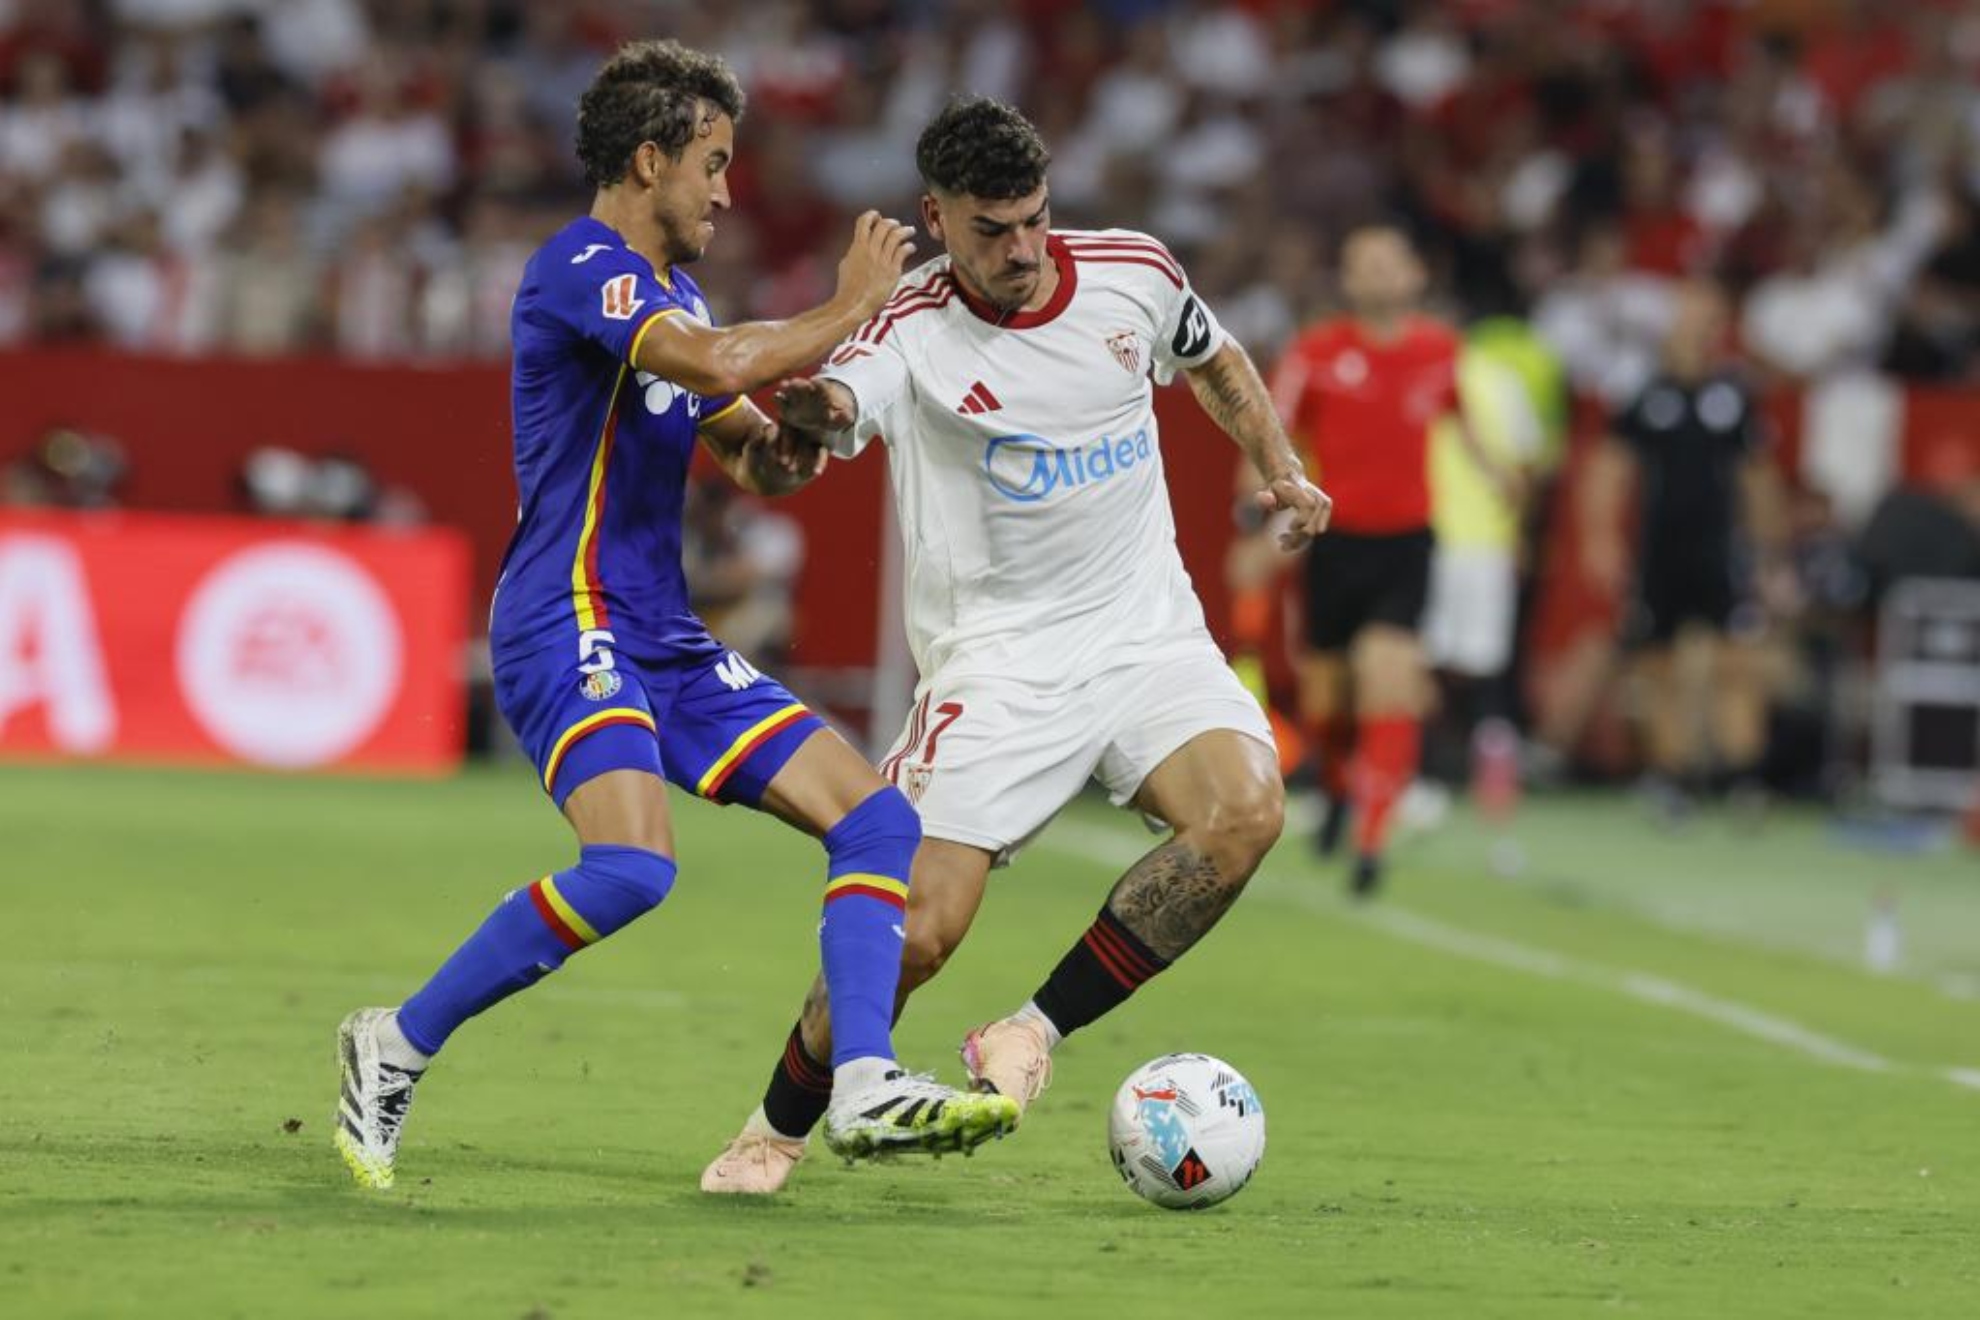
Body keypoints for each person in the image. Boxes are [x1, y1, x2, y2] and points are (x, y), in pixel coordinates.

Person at [333, 41, 1016, 1193]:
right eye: (712, 163)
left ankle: (862, 1082)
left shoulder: (676, 293)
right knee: (633, 870)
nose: (726, 189)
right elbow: (706, 362)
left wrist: (792, 439)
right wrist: (853, 304)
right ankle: (392, 1043)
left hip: (661, 631)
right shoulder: (577, 268)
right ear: (649, 161)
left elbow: (748, 451)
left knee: (877, 824)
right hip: (566, 614)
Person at [699, 95, 1332, 1194]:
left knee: (1246, 812)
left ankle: (1030, 1031)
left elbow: (1214, 357)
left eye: (1035, 220)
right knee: (916, 935)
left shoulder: (1132, 270)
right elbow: (842, 402)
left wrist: (1277, 463)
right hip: (997, 667)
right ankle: (775, 1126)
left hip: (1146, 636)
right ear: (935, 218)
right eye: (992, 230)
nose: (1023, 251)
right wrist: (808, 413)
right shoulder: (910, 328)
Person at [1263, 225, 1510, 897]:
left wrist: (1498, 474)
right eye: (1361, 264)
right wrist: (1258, 517)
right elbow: (1273, 435)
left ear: (1413, 276)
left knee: (1389, 681)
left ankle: (1371, 843)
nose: (1375, 275)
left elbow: (1462, 420)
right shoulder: (1315, 352)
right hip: (1334, 542)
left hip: (1407, 543)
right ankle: (1342, 790)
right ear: (1347, 280)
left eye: (1387, 263)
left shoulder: (1439, 349)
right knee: (1330, 700)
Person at [1582, 279, 1788, 820]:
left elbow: (1757, 477)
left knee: (1735, 664)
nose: (1695, 327)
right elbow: (1611, 468)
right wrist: (1601, 538)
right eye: (1688, 316)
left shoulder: (1734, 396)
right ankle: (1670, 777)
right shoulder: (1646, 394)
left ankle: (1743, 779)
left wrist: (1769, 553)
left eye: (1706, 318)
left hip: (1721, 551)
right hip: (1660, 552)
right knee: (1658, 666)